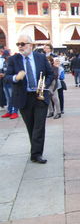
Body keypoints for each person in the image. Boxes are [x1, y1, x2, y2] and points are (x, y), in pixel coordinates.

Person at [5, 34, 53, 164]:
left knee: (39, 126)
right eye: (18, 44)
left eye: (23, 44)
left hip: (40, 96)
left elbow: (50, 74)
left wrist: (44, 85)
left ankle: (37, 154)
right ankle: (35, 151)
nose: (20, 47)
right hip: (24, 98)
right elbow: (7, 77)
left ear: (30, 45)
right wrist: (16, 77)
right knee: (31, 127)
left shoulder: (41, 57)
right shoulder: (14, 59)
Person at [1, 50, 19, 119]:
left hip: (11, 82)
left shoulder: (13, 62)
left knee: (13, 97)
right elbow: (3, 70)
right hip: (5, 82)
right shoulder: (5, 62)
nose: (5, 58)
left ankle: (15, 112)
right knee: (8, 98)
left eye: (6, 57)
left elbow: (14, 72)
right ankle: (9, 111)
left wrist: (4, 74)